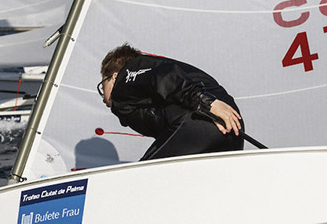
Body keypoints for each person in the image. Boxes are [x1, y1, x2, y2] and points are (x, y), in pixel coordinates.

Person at [98, 43, 244, 161]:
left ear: (113, 76)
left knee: (141, 178)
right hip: (233, 128)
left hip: (202, 118)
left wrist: (207, 103)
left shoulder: (127, 74)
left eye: (102, 86)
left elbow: (165, 75)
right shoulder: (144, 86)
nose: (103, 98)